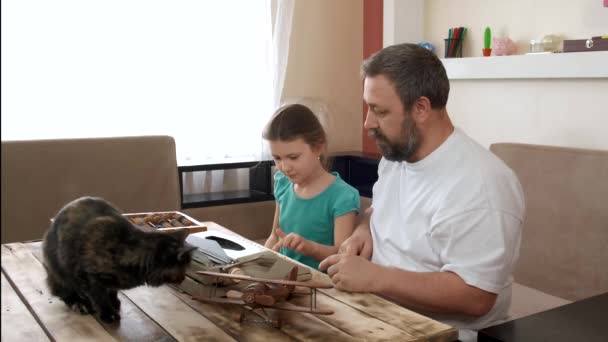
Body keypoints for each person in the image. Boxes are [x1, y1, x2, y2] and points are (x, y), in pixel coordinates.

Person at [318, 43, 525, 341]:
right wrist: (365, 231)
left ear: (421, 108)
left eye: (379, 110)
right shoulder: (396, 157)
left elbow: (476, 296)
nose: (367, 123)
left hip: (439, 333)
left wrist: (376, 278)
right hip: (376, 312)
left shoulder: (481, 185)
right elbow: (381, 211)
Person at [263, 103, 360, 270]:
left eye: (293, 157)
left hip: (323, 285)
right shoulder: (282, 183)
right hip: (286, 279)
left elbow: (343, 256)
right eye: (277, 158)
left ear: (318, 148)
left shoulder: (342, 196)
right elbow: (274, 236)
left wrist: (310, 248)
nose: (284, 167)